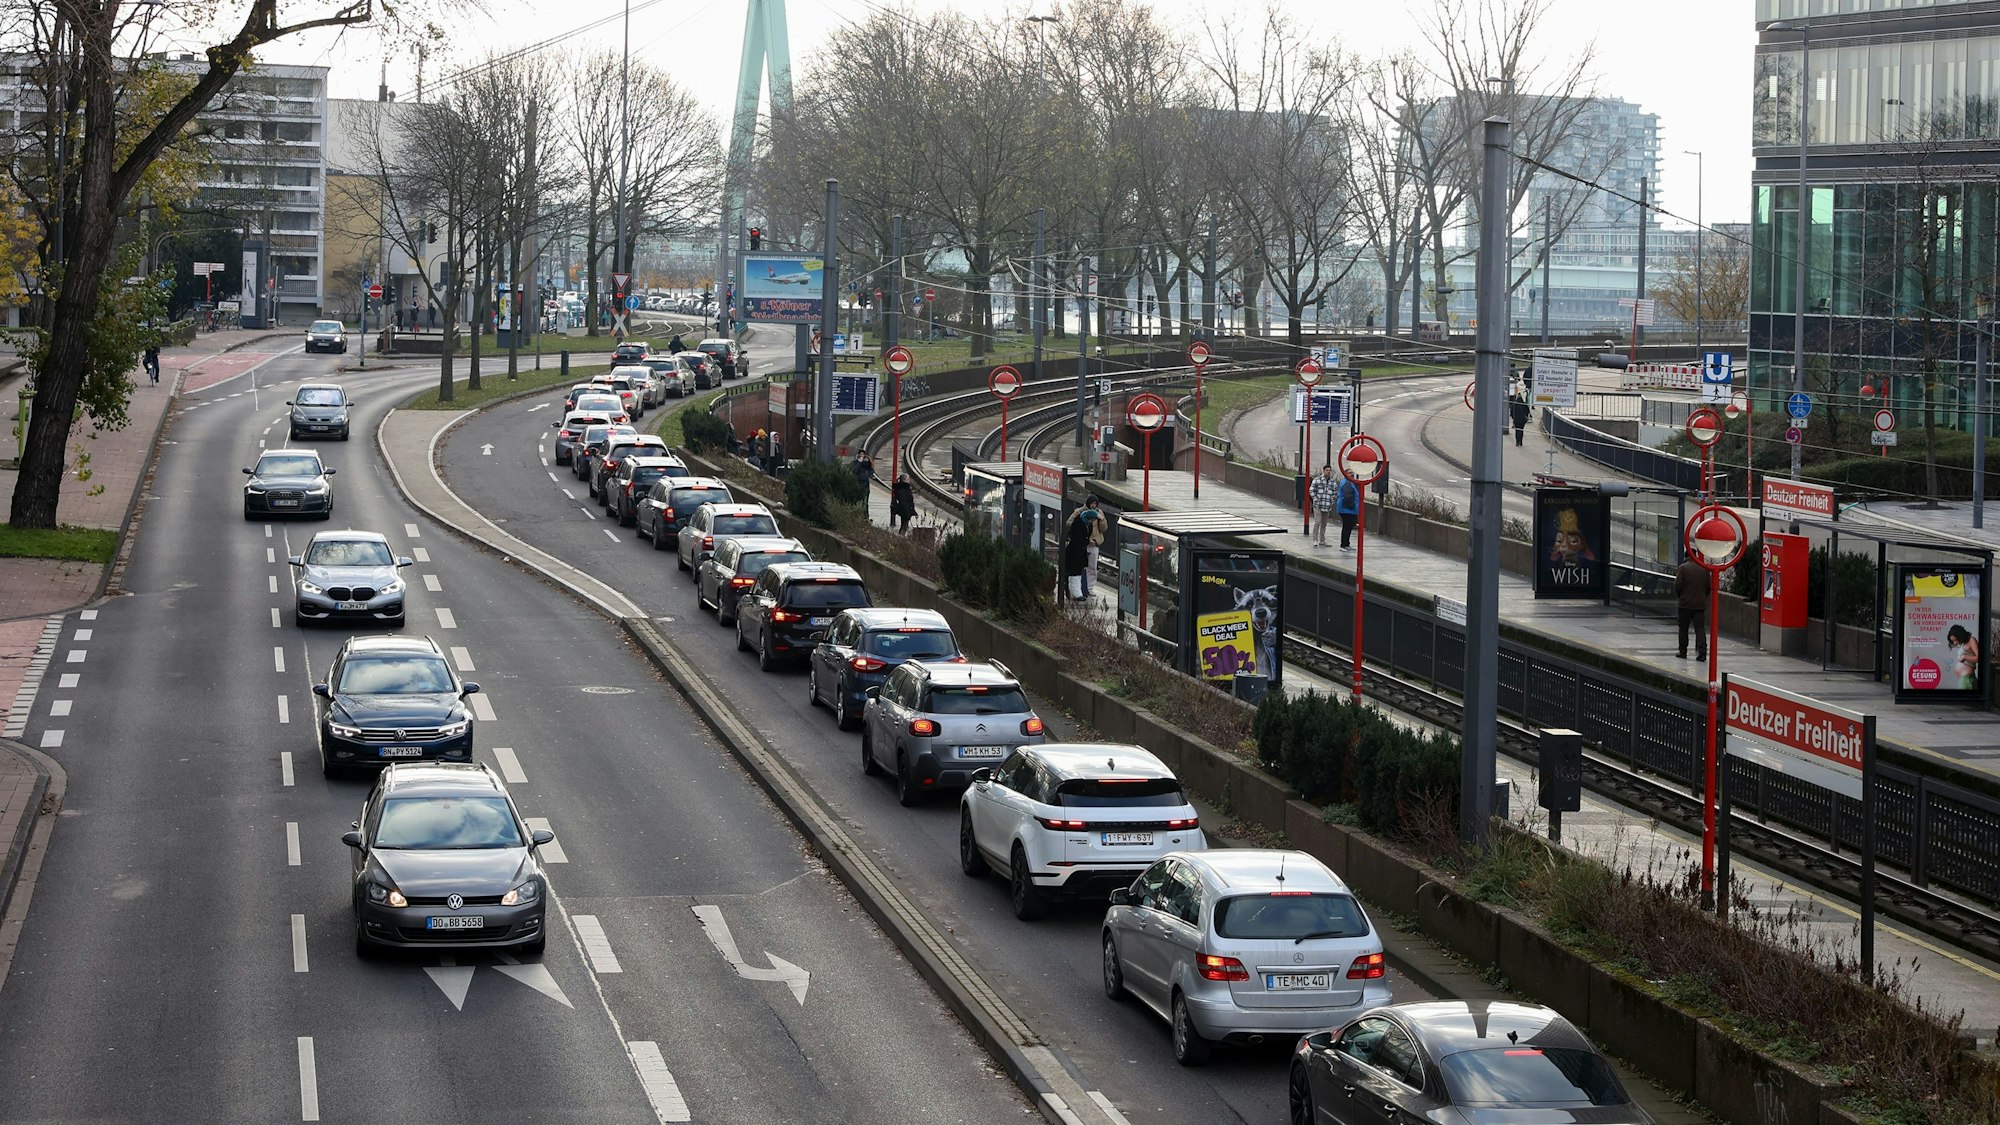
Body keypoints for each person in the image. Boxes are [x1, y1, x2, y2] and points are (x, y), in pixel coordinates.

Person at [1675, 555, 1711, 660]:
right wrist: (1702, 597)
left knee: (1683, 628)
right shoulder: (1704, 569)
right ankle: (1702, 652)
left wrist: (1681, 596)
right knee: (1700, 629)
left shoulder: (1683, 568)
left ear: (1686, 556)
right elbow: (1708, 587)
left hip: (1685, 604)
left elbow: (1678, 585)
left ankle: (1683, 651)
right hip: (1699, 605)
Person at [1078, 494, 1106, 597]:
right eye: (1092, 503)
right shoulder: (1080, 511)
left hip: (1094, 543)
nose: (1093, 505)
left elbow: (1103, 529)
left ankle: (1090, 588)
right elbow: (1070, 523)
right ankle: (1080, 587)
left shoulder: (1099, 513)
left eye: (1095, 503)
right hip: (1083, 544)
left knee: (1093, 567)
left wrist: (1102, 520)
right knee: (1081, 566)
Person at [1061, 508, 1091, 601]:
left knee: (1074, 572)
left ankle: (1073, 592)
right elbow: (1078, 538)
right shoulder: (1080, 523)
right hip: (1076, 553)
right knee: (1075, 573)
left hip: (1078, 551)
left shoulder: (1085, 524)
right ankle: (1075, 593)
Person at [1309, 464, 1338, 548]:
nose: (1328, 472)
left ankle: (1322, 540)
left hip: (1327, 506)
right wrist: (1315, 499)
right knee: (1317, 522)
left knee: (1324, 523)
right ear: (1323, 471)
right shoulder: (1317, 480)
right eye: (1327, 470)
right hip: (1318, 505)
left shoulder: (1333, 482)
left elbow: (1335, 492)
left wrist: (1332, 501)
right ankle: (1315, 539)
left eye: (1330, 470)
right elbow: (1311, 490)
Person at [1949, 624, 1981, 690]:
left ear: (1960, 635)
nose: (1955, 643)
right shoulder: (1964, 643)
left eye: (1955, 640)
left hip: (1967, 679)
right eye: (1953, 641)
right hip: (1964, 679)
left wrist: (1964, 657)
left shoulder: (1972, 640)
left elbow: (1979, 658)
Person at [1336, 472, 1361, 551]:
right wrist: (1353, 507)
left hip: (1346, 509)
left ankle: (1346, 544)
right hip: (1347, 509)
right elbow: (1348, 497)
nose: (1352, 476)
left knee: (1347, 527)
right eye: (1350, 474)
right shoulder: (1347, 483)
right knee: (1347, 527)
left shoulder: (1348, 482)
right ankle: (1344, 544)